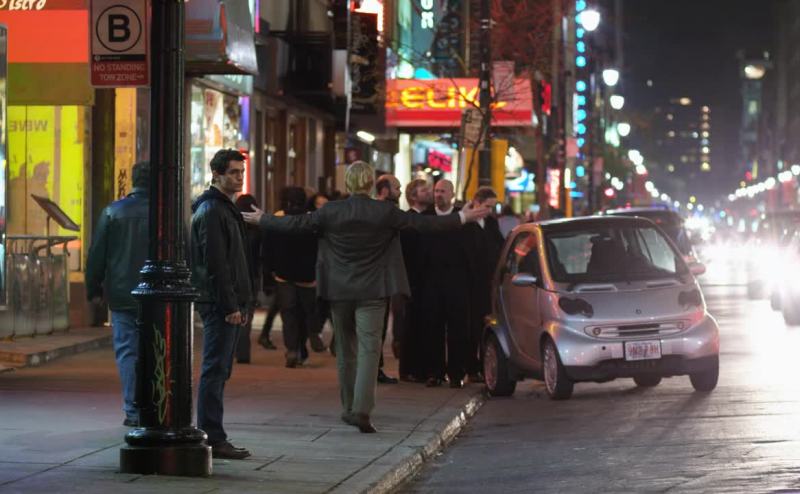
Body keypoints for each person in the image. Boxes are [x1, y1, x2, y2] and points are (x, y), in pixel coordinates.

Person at [243, 161, 490, 433]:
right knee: (370, 349)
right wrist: (462, 217)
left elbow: (297, 223)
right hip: (373, 290)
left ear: (348, 183)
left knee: (345, 349)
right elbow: (423, 224)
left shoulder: (332, 211)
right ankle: (362, 409)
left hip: (339, 290)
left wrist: (263, 218)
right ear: (371, 184)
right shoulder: (384, 211)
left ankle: (348, 407)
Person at [190, 149, 253, 459]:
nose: (239, 177)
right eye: (233, 172)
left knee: (220, 369)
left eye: (241, 172)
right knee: (215, 369)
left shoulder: (224, 208)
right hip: (218, 303)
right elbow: (215, 262)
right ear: (216, 175)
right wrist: (230, 306)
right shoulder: (213, 210)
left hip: (227, 300)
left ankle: (213, 434)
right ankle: (212, 436)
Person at [86, 161, 150, 427]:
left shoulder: (113, 211)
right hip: (158, 295)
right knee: (157, 349)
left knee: (127, 351)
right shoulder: (165, 213)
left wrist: (93, 289)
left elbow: (97, 254)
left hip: (123, 294)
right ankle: (155, 406)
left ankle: (132, 409)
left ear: (133, 181)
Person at [421, 179, 472, 388]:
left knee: (457, 329)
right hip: (431, 283)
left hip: (456, 283)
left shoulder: (462, 218)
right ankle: (435, 372)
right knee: (432, 327)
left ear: (451, 194)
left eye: (442, 191)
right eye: (436, 191)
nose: (438, 194)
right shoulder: (426, 217)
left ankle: (456, 373)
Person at [263, 186, 321, 368]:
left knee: (288, 314)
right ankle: (303, 346)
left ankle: (292, 349)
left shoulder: (277, 218)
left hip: (283, 275)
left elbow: (268, 247)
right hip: (307, 276)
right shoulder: (311, 219)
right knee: (304, 314)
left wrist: (270, 269)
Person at [463, 187, 505, 383]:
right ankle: (471, 367)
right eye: (488, 206)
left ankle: (482, 366)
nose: (490, 211)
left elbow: (500, 246)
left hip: (488, 282)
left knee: (485, 325)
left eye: (492, 207)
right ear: (477, 203)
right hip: (470, 283)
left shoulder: (491, 223)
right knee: (470, 326)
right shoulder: (465, 223)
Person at [398, 179, 433, 383]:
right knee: (412, 324)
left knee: (425, 324)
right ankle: (409, 369)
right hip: (412, 280)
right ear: (413, 196)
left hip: (426, 280)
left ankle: (422, 368)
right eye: (424, 190)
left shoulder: (428, 218)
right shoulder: (407, 221)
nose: (428, 192)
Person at [374, 173, 402, 384]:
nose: (399, 192)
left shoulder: (383, 211)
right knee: (377, 327)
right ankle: (373, 369)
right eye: (397, 188)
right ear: (385, 190)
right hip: (378, 279)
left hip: (378, 278)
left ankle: (375, 368)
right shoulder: (387, 213)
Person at [234, 194, 263, 364]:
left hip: (234, 275)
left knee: (232, 311)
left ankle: (235, 348)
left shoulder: (232, 227)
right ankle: (243, 352)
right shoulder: (258, 231)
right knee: (247, 313)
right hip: (252, 276)